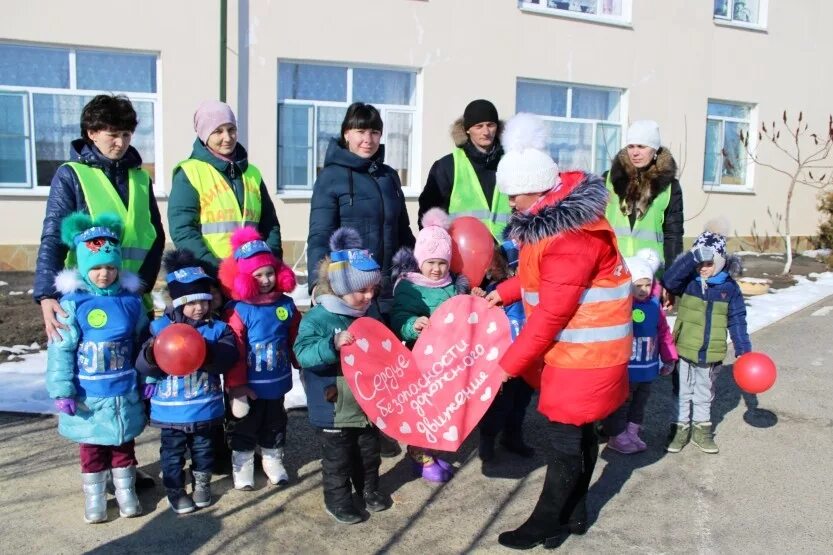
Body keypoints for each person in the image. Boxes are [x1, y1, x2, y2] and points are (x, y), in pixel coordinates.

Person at [484, 113, 631, 550]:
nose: (509, 201)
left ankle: (546, 521)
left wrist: (508, 365)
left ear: (539, 188)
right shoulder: (555, 223)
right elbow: (544, 277)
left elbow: (551, 312)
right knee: (581, 433)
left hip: (584, 356)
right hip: (584, 354)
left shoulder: (569, 238)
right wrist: (507, 291)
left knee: (566, 437)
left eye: (514, 194)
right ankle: (576, 512)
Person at [35, 94, 165, 341]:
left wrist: (141, 287)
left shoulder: (140, 179)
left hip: (133, 302)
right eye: (113, 134)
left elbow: (156, 237)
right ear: (91, 133)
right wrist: (46, 294)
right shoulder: (71, 175)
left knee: (137, 373)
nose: (120, 142)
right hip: (89, 302)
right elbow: (53, 236)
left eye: (126, 134)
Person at [45, 212, 147, 523]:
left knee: (123, 445)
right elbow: (61, 349)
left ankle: (126, 490)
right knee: (92, 450)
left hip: (123, 392)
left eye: (110, 267)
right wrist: (62, 390)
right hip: (89, 396)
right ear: (85, 269)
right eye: (97, 268)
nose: (104, 274)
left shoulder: (131, 303)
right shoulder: (74, 304)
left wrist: (148, 376)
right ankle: (95, 496)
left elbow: (144, 344)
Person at [294, 227, 392, 524]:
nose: (369, 295)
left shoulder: (367, 314)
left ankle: (369, 490)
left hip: (365, 404)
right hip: (334, 406)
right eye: (362, 289)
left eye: (373, 289)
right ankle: (337, 500)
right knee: (337, 459)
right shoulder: (319, 317)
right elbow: (303, 354)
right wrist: (331, 345)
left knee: (368, 453)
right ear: (339, 287)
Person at [135, 250, 239, 514]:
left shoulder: (217, 330)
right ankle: (176, 491)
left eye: (204, 300)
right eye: (191, 302)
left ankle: (202, 484)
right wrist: (151, 355)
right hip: (171, 409)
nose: (199, 307)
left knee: (204, 450)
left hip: (204, 407)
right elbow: (143, 363)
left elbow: (228, 358)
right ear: (179, 302)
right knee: (172, 454)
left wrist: (204, 350)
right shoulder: (160, 330)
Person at [306, 102, 416, 316]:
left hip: (389, 293)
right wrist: (317, 286)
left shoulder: (389, 177)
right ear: (346, 134)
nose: (368, 139)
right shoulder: (330, 178)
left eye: (375, 132)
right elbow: (320, 236)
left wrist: (419, 270)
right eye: (361, 131)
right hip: (351, 295)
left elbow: (403, 232)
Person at [390, 208, 470, 482]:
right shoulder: (409, 286)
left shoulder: (453, 286)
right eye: (430, 262)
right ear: (419, 260)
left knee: (440, 408)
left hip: (448, 362)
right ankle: (419, 454)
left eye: (442, 263)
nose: (436, 269)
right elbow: (398, 318)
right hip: (420, 361)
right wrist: (412, 325)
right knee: (422, 409)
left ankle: (429, 451)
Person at [219, 227, 300, 490]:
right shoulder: (239, 310)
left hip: (276, 381)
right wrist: (237, 386)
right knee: (244, 425)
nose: (265, 280)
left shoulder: (285, 305)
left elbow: (295, 336)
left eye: (269, 273)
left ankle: (272, 459)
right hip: (249, 385)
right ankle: (242, 465)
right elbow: (236, 348)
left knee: (275, 422)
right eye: (258, 275)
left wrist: (302, 362)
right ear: (245, 278)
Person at [661, 219, 751, 454]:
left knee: (703, 393)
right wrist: (692, 257)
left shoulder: (729, 288)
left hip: (711, 352)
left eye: (709, 263)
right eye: (699, 262)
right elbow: (668, 281)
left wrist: (743, 349)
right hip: (683, 349)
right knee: (681, 392)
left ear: (720, 262)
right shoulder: (689, 282)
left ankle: (701, 431)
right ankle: (679, 430)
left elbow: (738, 319)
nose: (703, 268)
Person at [168, 100, 284, 274]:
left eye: (231, 129)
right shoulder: (189, 173)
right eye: (218, 131)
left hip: (255, 276)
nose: (227, 138)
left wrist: (270, 263)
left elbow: (270, 225)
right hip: (213, 277)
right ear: (204, 135)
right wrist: (217, 271)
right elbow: (183, 231)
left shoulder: (252, 173)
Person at [603, 249, 678, 454]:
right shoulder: (621, 306)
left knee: (640, 402)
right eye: (639, 285)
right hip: (627, 369)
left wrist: (669, 357)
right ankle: (616, 436)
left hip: (647, 367)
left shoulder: (655, 305)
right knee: (622, 402)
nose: (644, 289)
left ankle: (632, 431)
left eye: (648, 284)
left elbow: (663, 333)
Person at [605, 120, 683, 307]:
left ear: (654, 150)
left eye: (641, 146)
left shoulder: (670, 186)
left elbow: (673, 235)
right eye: (631, 146)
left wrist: (670, 282)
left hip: (649, 276)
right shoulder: (609, 179)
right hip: (614, 271)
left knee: (649, 332)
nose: (635, 152)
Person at [471, 240, 535, 463]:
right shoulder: (494, 290)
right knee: (499, 405)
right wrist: (478, 299)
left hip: (527, 356)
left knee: (521, 402)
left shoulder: (531, 288)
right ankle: (487, 439)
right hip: (503, 360)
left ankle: (512, 437)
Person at [418, 99, 510, 240]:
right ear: (467, 129)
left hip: (508, 255)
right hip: (462, 255)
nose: (486, 131)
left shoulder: (512, 162)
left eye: (490, 125)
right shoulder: (447, 166)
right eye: (479, 126)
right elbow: (429, 215)